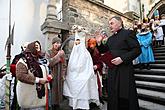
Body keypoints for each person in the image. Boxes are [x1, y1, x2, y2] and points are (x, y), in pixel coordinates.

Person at [96, 16, 141, 110]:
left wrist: (122, 58)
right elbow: (104, 51)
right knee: (113, 94)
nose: (110, 26)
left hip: (125, 70)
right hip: (113, 71)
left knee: (125, 95)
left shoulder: (128, 33)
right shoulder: (110, 39)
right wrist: (99, 43)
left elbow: (137, 50)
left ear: (120, 23)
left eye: (112, 23)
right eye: (109, 24)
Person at [63, 27, 100, 110]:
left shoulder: (86, 54)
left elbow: (89, 66)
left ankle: (84, 104)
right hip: (74, 76)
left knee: (84, 84)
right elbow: (71, 67)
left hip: (84, 75)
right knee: (74, 83)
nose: (77, 43)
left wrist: (87, 74)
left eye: (79, 41)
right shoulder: (74, 54)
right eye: (76, 41)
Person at [16, 41, 48, 109]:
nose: (38, 48)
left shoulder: (40, 59)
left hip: (39, 96)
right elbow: (21, 75)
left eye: (38, 46)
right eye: (35, 47)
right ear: (31, 48)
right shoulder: (23, 61)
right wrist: (38, 80)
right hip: (28, 96)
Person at [46, 36, 67, 110]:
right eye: (55, 43)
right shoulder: (48, 52)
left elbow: (64, 65)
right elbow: (49, 63)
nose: (57, 44)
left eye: (58, 43)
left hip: (60, 74)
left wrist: (63, 74)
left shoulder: (62, 53)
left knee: (59, 91)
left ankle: (57, 104)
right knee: (52, 90)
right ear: (52, 44)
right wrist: (58, 56)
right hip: (52, 74)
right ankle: (52, 105)